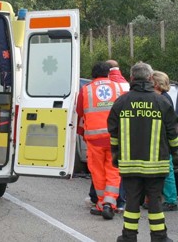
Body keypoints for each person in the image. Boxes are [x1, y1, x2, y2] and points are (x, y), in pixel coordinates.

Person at [108, 62, 178, 242]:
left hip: (129, 165)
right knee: (155, 202)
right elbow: (173, 134)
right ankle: (160, 237)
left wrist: (116, 157)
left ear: (132, 78)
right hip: (157, 166)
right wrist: (176, 157)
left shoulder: (121, 102)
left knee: (132, 202)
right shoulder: (162, 101)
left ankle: (128, 237)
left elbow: (113, 133)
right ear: (150, 78)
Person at [76, 61, 124, 220]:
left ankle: (101, 203)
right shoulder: (118, 88)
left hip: (94, 139)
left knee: (97, 171)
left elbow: (79, 112)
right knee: (113, 170)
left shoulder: (86, 90)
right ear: (109, 73)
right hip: (114, 137)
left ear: (93, 74)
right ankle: (110, 204)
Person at [151, 71, 177, 211]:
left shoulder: (163, 99)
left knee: (167, 170)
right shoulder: (164, 97)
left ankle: (171, 200)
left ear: (156, 84)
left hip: (163, 140)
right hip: (161, 139)